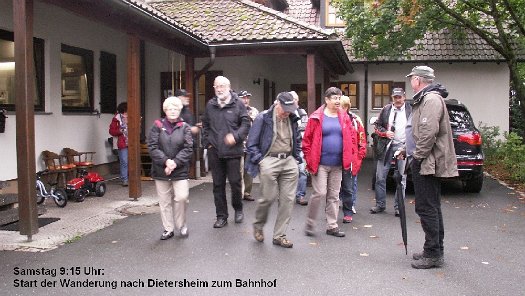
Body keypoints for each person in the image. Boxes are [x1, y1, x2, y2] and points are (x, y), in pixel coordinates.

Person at [405, 66, 458, 269]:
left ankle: (434, 253)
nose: (411, 82)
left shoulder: (431, 100)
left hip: (426, 162)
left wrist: (417, 156)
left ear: (418, 80)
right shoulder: (427, 98)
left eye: (412, 79)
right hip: (425, 160)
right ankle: (434, 249)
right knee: (431, 206)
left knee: (426, 207)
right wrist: (406, 150)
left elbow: (428, 132)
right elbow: (418, 131)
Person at [245, 92, 300, 248]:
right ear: (277, 104)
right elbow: (251, 144)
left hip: (289, 160)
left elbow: (297, 138)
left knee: (288, 200)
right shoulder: (263, 118)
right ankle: (258, 224)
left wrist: (296, 157)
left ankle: (279, 235)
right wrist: (261, 161)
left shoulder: (292, 117)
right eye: (285, 108)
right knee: (268, 197)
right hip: (269, 159)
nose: (288, 112)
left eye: (290, 108)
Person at [302, 87, 355, 238]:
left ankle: (332, 226)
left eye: (339, 98)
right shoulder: (316, 117)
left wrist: (350, 156)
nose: (338, 101)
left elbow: (351, 137)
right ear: (326, 100)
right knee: (320, 193)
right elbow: (306, 141)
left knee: (334, 195)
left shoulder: (344, 117)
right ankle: (310, 223)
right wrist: (309, 158)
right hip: (320, 164)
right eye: (334, 98)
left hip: (338, 164)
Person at [202, 76, 251, 228]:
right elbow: (205, 125)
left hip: (233, 151)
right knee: (217, 185)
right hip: (215, 151)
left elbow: (246, 123)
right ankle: (221, 216)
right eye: (217, 86)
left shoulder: (238, 104)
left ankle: (238, 208)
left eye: (222, 86)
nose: (219, 89)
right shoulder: (210, 105)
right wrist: (207, 143)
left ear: (229, 87)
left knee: (235, 183)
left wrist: (236, 137)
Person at [147, 96, 193, 240]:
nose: (173, 111)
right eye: (170, 109)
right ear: (165, 110)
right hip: (161, 170)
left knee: (182, 197)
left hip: (180, 170)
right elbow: (152, 147)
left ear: (179, 110)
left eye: (175, 109)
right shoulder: (157, 126)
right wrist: (166, 161)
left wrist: (175, 163)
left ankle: (182, 225)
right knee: (164, 201)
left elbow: (188, 148)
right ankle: (168, 228)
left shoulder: (184, 127)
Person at [370, 88, 412, 216]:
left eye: (400, 97)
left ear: (404, 97)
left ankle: (399, 207)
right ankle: (380, 205)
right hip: (386, 147)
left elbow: (415, 128)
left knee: (401, 179)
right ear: (392, 98)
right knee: (380, 177)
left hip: (402, 148)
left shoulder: (411, 110)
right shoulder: (386, 109)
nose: (398, 100)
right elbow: (377, 126)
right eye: (395, 97)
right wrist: (385, 133)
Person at [339, 95, 367, 223]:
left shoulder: (355, 120)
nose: (340, 108)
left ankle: (350, 206)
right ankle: (341, 202)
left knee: (350, 185)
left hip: (351, 159)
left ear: (347, 107)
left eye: (342, 106)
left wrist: (359, 156)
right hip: (337, 157)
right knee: (337, 185)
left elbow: (362, 139)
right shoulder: (334, 119)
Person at [238, 90, 259, 201]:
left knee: (249, 170)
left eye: (247, 98)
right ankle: (240, 193)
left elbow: (258, 126)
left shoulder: (254, 111)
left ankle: (247, 192)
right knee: (239, 170)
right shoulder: (236, 110)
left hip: (251, 145)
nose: (246, 100)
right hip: (239, 145)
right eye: (243, 98)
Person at [290, 91, 309, 206]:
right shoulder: (284, 113)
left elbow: (305, 130)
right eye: (292, 100)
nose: (295, 102)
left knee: (302, 171)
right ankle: (284, 195)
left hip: (300, 146)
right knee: (284, 173)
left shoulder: (302, 113)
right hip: (286, 149)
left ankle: (300, 195)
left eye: (296, 100)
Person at [109, 102, 129, 186]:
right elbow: (111, 131)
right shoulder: (116, 118)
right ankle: (124, 179)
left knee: (132, 160)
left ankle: (132, 177)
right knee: (124, 161)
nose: (126, 113)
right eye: (125, 111)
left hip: (132, 141)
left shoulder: (133, 116)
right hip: (122, 142)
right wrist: (119, 131)